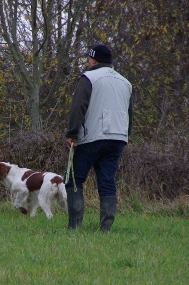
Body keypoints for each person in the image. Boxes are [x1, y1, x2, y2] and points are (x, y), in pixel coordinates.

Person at [65, 44, 133, 232]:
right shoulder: (125, 82)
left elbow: (78, 107)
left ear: (93, 60)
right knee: (107, 181)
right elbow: (130, 113)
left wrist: (71, 133)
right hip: (118, 137)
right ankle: (105, 229)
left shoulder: (89, 78)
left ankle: (75, 227)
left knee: (74, 179)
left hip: (92, 137)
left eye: (88, 59)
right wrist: (126, 135)